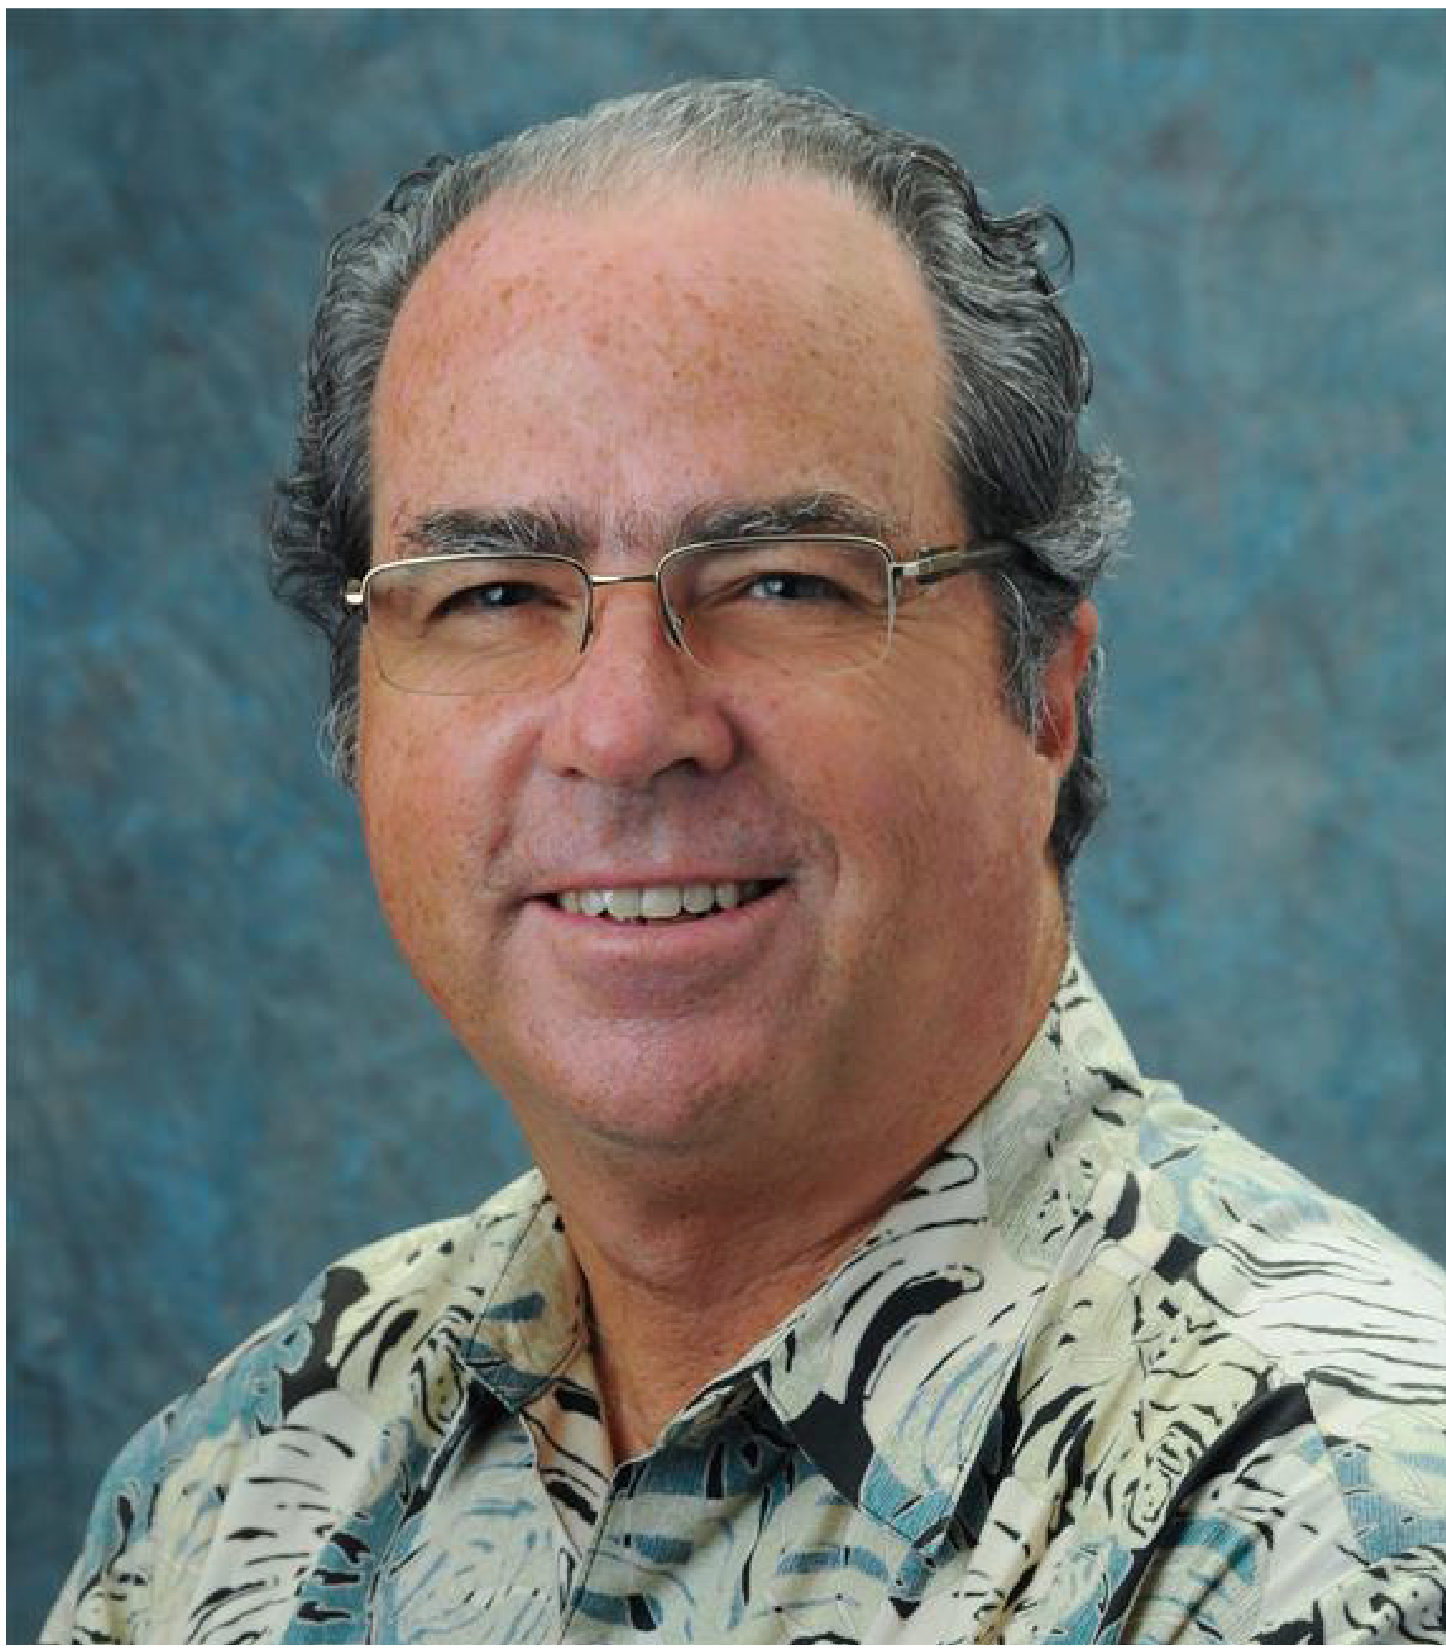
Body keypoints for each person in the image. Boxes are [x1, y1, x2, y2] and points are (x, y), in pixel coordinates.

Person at [43, 79, 1445, 1645]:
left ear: (1046, 695)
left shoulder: (1337, 1536)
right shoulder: (231, 1489)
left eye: (782, 583)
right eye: (493, 594)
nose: (624, 728)